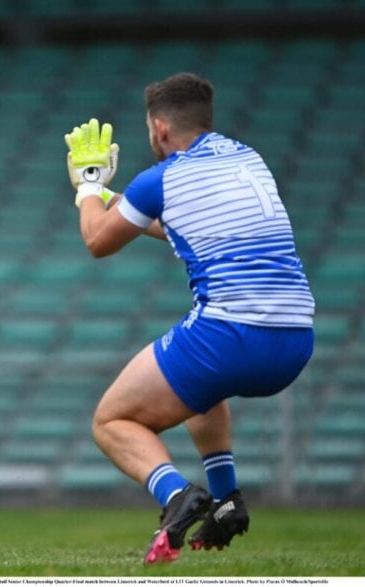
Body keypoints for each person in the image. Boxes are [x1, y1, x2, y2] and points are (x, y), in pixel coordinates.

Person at [63, 73, 314, 564]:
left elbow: (97, 241)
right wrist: (118, 202)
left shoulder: (160, 178)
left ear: (158, 128)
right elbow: (179, 222)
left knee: (112, 420)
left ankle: (177, 494)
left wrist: (90, 188)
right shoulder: (249, 159)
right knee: (201, 391)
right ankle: (227, 500)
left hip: (230, 335)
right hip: (296, 339)